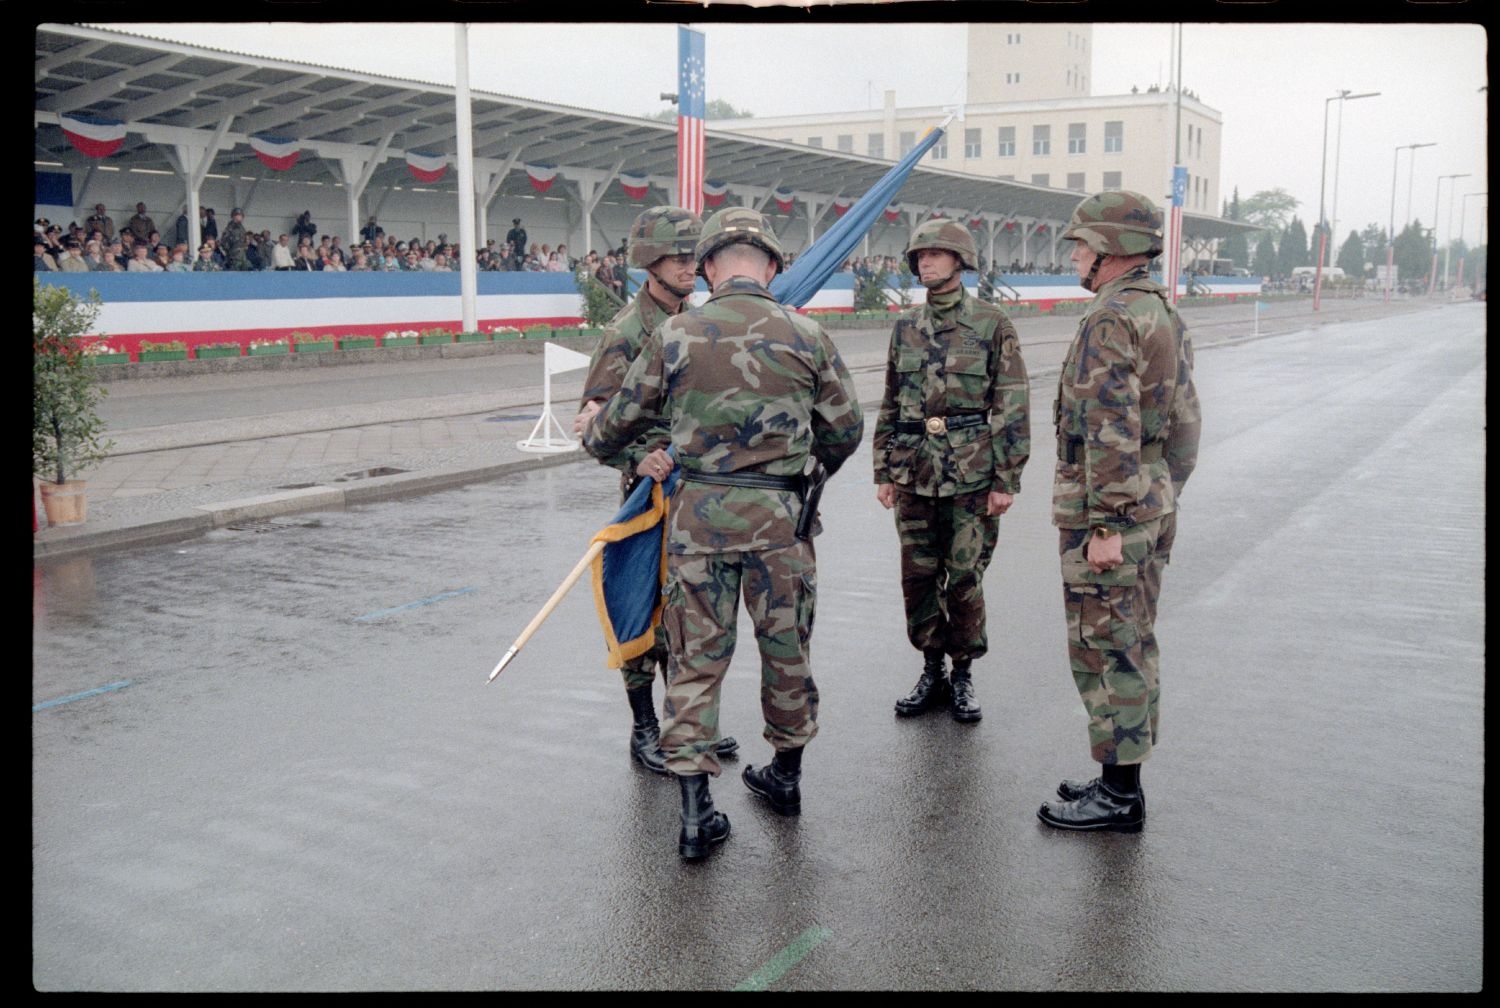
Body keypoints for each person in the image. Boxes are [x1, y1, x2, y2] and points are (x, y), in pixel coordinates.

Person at [576, 206, 864, 860]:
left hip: (699, 524)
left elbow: (612, 427)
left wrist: (613, 444)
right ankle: (785, 778)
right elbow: (846, 430)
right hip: (782, 524)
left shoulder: (675, 335)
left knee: (696, 658)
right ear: (771, 264)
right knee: (785, 648)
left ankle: (693, 812)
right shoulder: (808, 334)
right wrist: (803, 466)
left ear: (709, 267)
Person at [1037, 190, 1201, 833]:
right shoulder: (1159, 310)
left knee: (1107, 647)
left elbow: (1107, 424)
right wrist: (1162, 493)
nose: (1074, 254)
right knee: (1132, 639)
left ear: (1109, 250)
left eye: (1080, 244)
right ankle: (1117, 774)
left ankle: (1120, 795)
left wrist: (1106, 523)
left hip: (1112, 510)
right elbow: (1185, 421)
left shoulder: (1112, 318)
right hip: (1150, 496)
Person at [575, 206, 741, 779]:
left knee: (689, 612)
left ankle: (687, 726)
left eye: (694, 256)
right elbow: (592, 418)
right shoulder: (626, 330)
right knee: (644, 608)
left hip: (697, 491)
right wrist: (634, 454)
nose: (689, 266)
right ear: (650, 261)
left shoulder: (699, 321)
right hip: (651, 496)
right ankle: (645, 728)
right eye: (677, 257)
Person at [873, 218, 1031, 723]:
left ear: (960, 261)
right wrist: (883, 469)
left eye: (937, 254)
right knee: (917, 577)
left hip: (970, 472)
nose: (926, 262)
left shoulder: (990, 323)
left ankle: (963, 673)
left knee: (963, 577)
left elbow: (1012, 404)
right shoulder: (906, 328)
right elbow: (892, 401)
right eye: (920, 255)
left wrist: (1006, 479)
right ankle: (931, 669)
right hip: (913, 469)